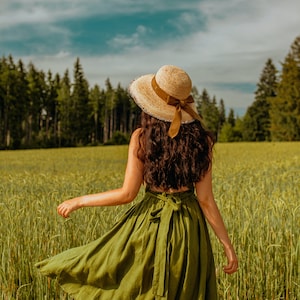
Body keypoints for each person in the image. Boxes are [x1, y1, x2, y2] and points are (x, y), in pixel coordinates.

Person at [36, 65, 238, 299]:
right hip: (189, 230)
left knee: (123, 281)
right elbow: (205, 200)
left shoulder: (141, 137)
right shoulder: (203, 141)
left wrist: (80, 201)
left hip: (148, 224)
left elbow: (127, 194)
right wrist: (227, 245)